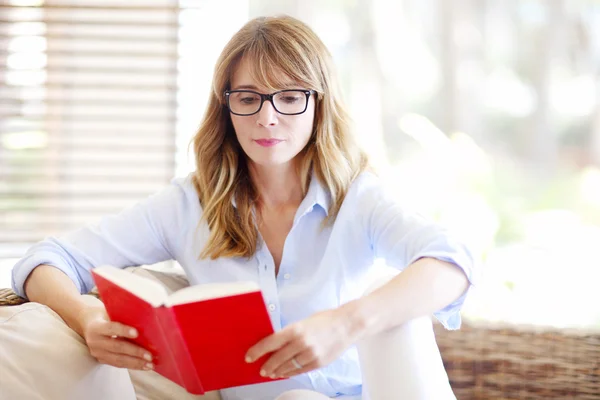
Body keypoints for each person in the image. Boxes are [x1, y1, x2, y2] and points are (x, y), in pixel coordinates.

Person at [10, 15, 475, 400]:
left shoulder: (357, 198)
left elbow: (453, 262)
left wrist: (344, 324)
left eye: (290, 98)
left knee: (400, 319)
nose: (266, 117)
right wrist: (86, 317)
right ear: (226, 107)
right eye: (248, 98)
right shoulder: (188, 205)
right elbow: (44, 260)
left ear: (319, 106)